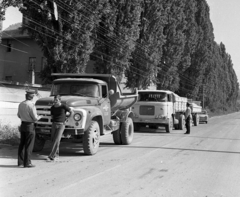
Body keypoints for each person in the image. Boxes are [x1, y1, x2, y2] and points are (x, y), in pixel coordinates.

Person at [17, 90, 42, 168]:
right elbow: (35, 118)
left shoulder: (21, 104)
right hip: (30, 125)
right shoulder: (31, 105)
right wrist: (40, 117)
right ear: (32, 97)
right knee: (29, 145)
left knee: (22, 144)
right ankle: (27, 163)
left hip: (23, 124)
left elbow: (18, 115)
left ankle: (20, 162)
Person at [46, 95, 72, 162]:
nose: (55, 101)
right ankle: (56, 156)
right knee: (53, 139)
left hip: (61, 125)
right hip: (54, 124)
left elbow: (71, 112)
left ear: (60, 100)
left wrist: (66, 118)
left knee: (57, 140)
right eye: (54, 99)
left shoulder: (63, 106)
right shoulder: (52, 107)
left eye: (56, 100)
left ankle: (51, 156)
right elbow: (52, 115)